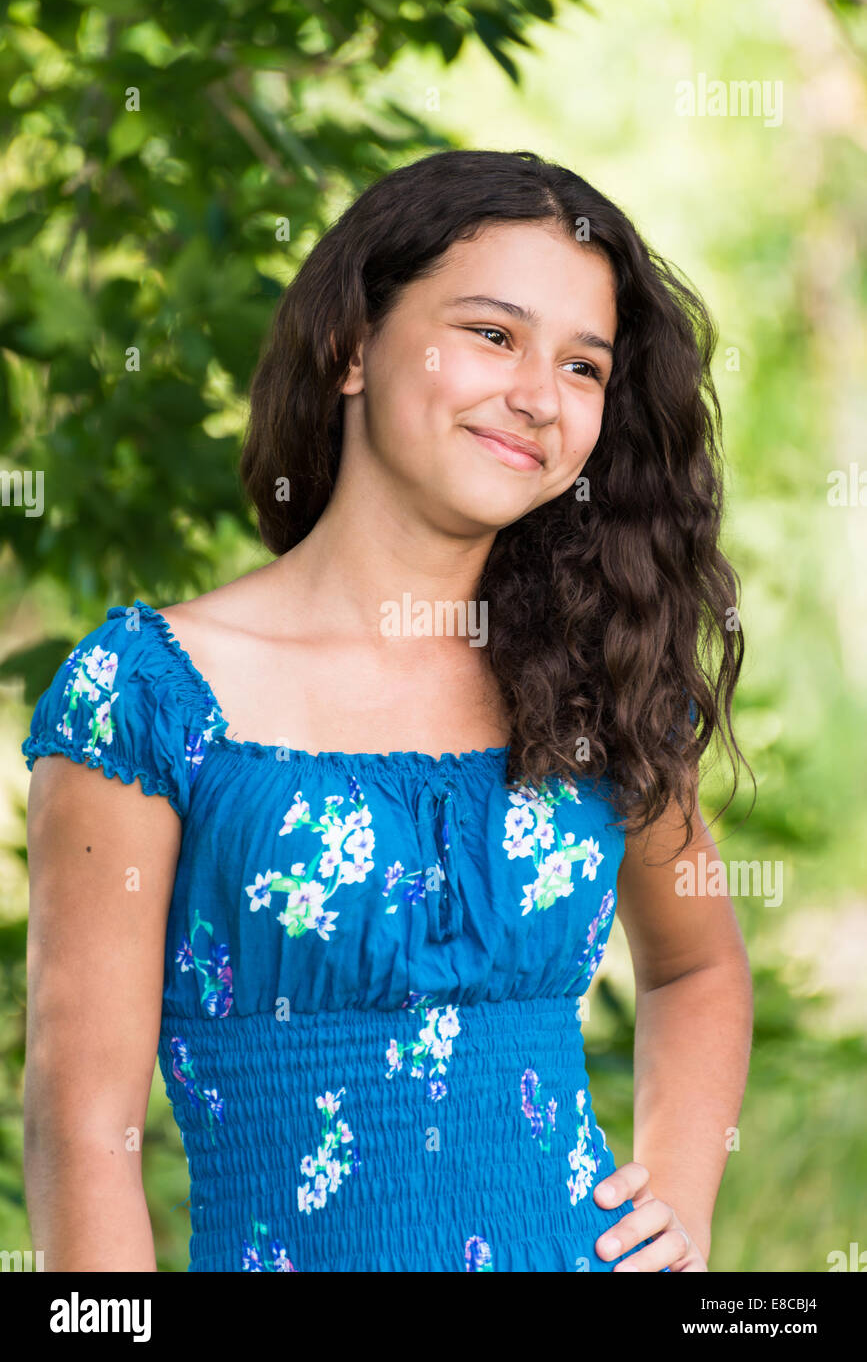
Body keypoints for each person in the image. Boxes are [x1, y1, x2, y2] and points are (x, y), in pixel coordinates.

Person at [21, 148, 753, 1273]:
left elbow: (698, 967)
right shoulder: (149, 695)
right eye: (494, 335)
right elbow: (83, 1126)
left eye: (584, 367)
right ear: (352, 345)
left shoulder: (598, 678)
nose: (537, 396)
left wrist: (680, 1202)